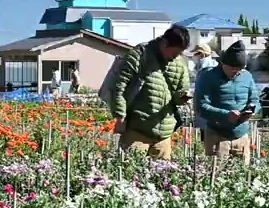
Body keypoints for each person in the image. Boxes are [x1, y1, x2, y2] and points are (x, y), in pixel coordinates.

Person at [111, 24, 192, 159]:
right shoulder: (139, 55)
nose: (175, 57)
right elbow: (119, 87)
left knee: (164, 171)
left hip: (164, 133)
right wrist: (120, 115)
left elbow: (180, 91)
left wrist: (182, 97)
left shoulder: (179, 64)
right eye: (174, 53)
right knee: (130, 168)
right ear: (164, 44)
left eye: (179, 54)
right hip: (137, 130)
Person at [195, 41, 259, 164]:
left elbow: (255, 99)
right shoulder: (208, 77)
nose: (237, 72)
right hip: (218, 136)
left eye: (240, 69)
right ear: (223, 63)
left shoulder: (247, 76)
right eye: (233, 69)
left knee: (243, 173)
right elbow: (201, 106)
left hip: (242, 136)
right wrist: (226, 115)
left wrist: (252, 110)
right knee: (217, 171)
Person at [189, 44, 220, 140]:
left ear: (202, 54)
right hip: (206, 107)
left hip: (207, 107)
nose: (195, 57)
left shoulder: (208, 68)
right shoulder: (206, 67)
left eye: (196, 54)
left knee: (208, 137)